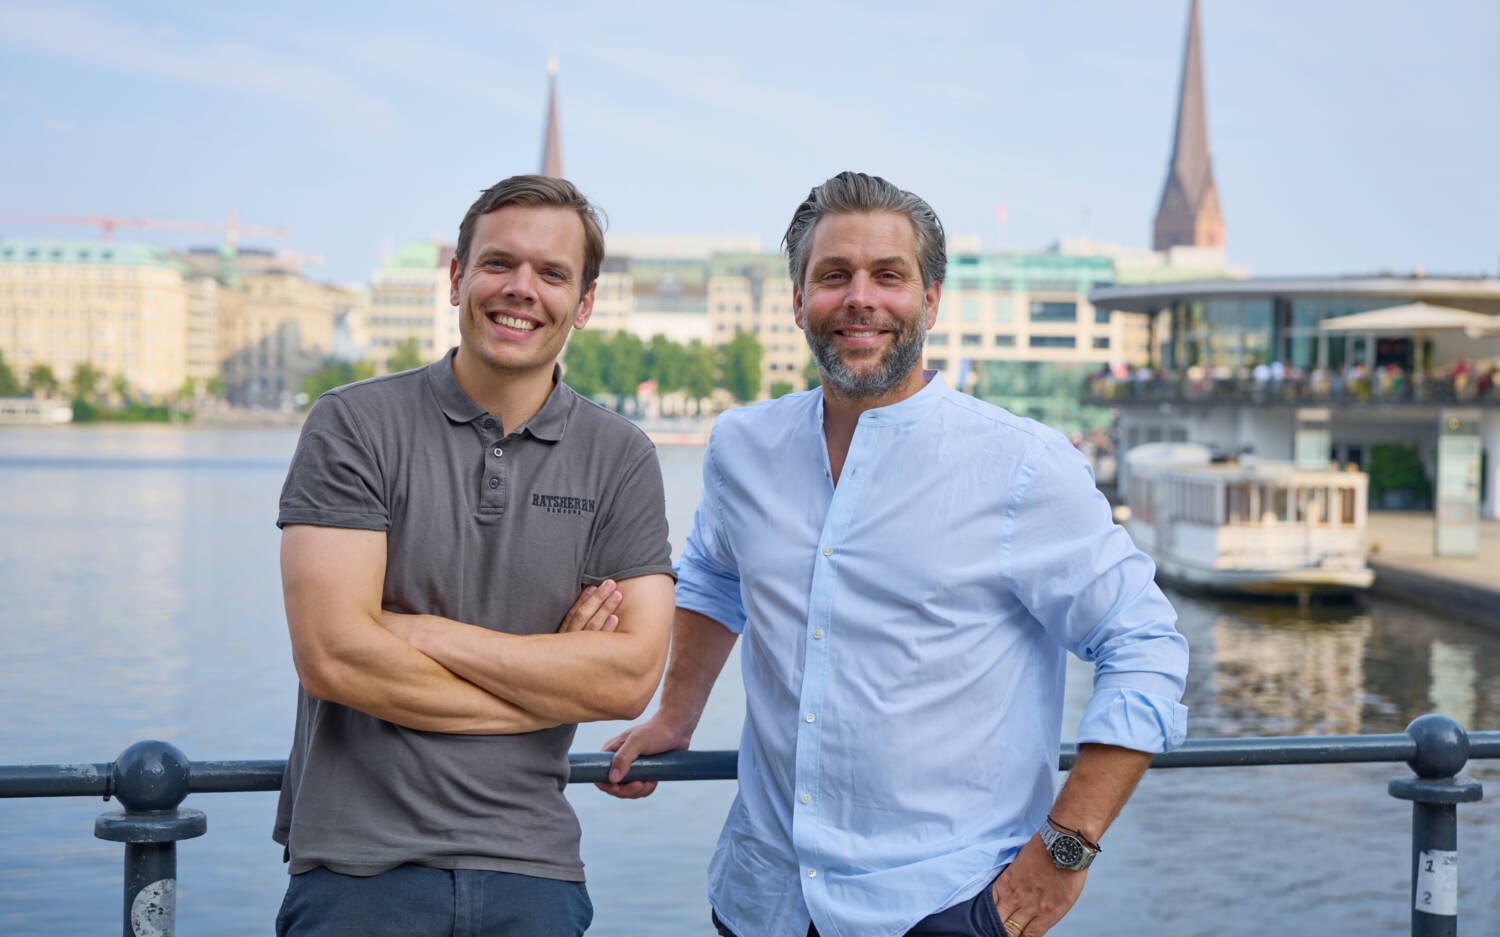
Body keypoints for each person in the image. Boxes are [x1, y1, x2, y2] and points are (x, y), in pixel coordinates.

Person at [598, 172, 1188, 937]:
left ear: (932, 300)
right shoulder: (744, 446)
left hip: (941, 905)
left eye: (889, 276)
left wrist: (1065, 851)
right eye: (833, 275)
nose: (860, 299)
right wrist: (675, 715)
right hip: (759, 898)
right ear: (797, 298)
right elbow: (714, 572)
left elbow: (1145, 645)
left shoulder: (1021, 466)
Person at [273, 174, 677, 937]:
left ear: (584, 303)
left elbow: (628, 677)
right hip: (360, 871)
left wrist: (421, 632)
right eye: (499, 264)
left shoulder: (621, 457)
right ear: (457, 278)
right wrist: (552, 676)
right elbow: (333, 655)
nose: (522, 289)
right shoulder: (354, 424)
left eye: (552, 273)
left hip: (535, 872)